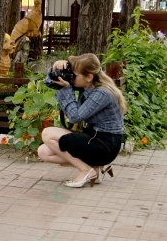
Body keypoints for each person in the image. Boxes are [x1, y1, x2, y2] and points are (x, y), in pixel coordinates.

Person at [37, 54, 127, 188]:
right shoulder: (87, 85)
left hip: (106, 145)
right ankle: (94, 167)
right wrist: (56, 67)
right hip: (93, 138)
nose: (71, 78)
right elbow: (51, 83)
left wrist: (67, 90)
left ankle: (86, 170)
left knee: (47, 134)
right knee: (43, 152)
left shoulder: (102, 93)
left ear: (89, 77)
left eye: (74, 75)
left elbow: (75, 117)